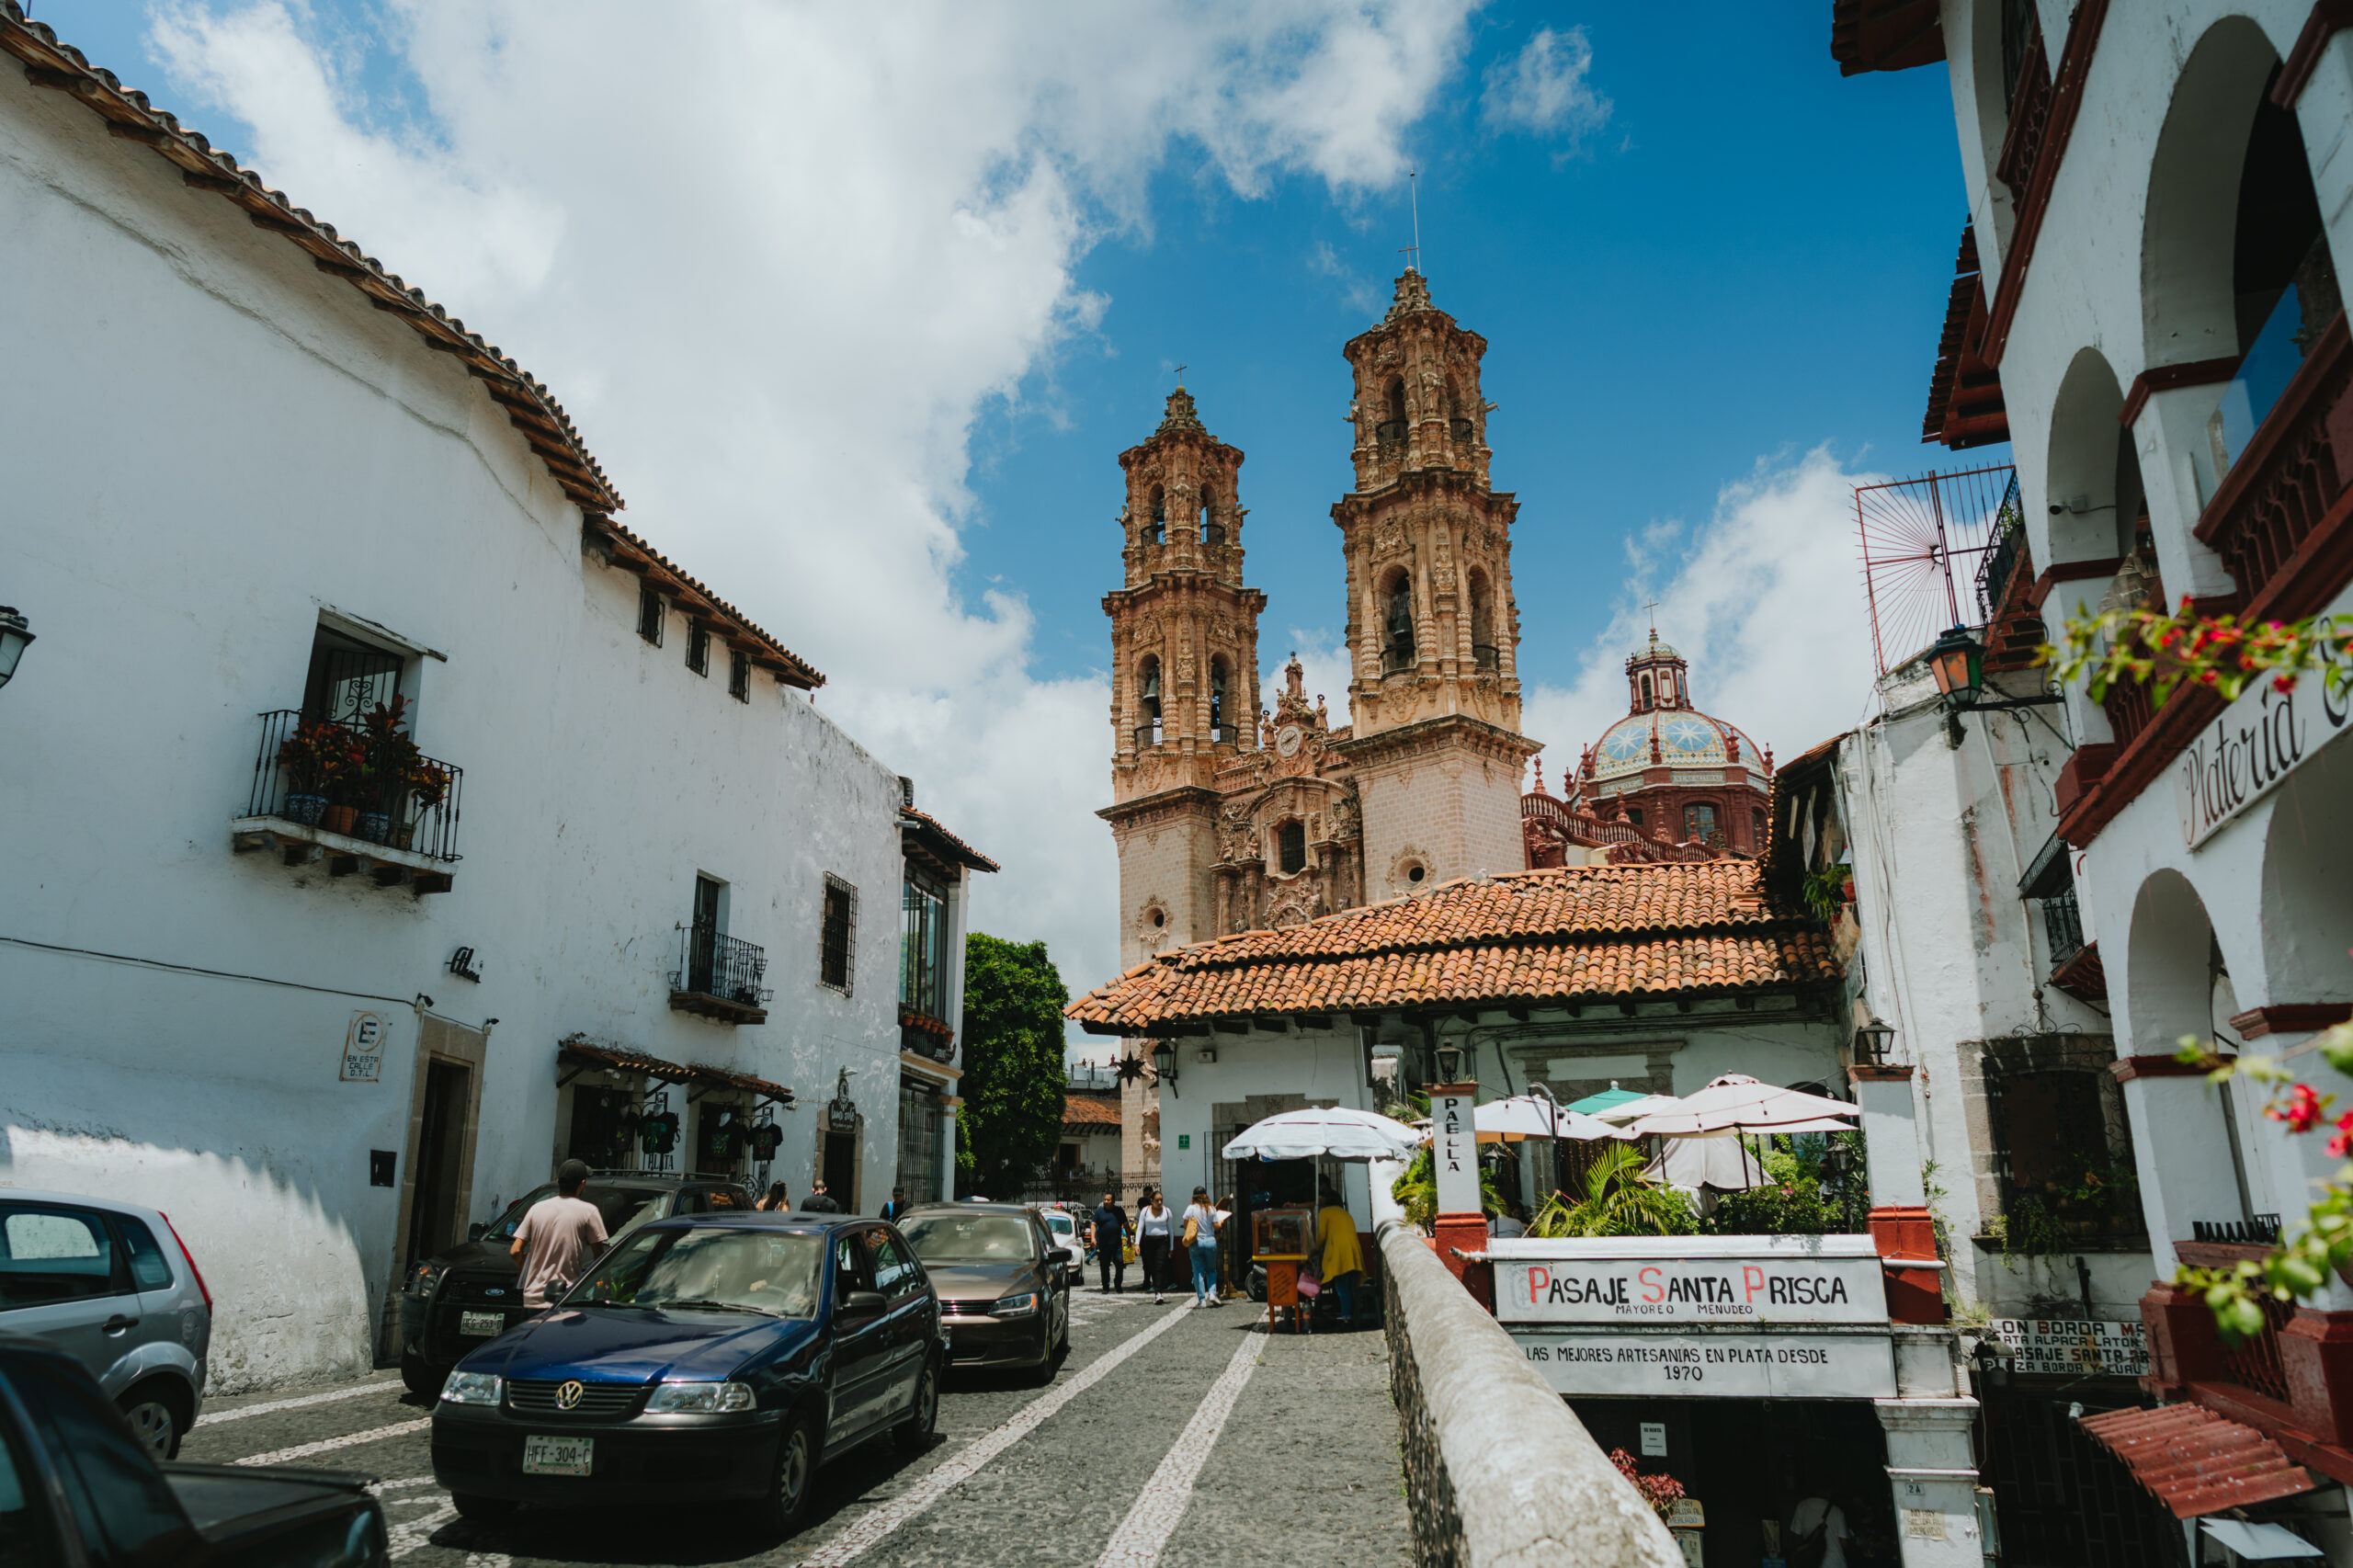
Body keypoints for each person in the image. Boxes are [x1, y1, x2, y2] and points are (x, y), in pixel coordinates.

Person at [510, 1159, 608, 1308]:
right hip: (565, 1298)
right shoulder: (588, 1211)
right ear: (582, 1184)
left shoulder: (537, 1209)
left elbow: (515, 1251)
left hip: (533, 1298)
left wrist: (529, 1270)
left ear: (557, 1182)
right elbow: (600, 1258)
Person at [1312, 1184, 1365, 1328]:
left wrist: (1314, 1249)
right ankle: (1353, 1316)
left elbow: (1321, 1235)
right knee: (1350, 1287)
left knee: (1342, 1289)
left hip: (1339, 1254)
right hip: (1353, 1252)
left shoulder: (1325, 1213)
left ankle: (1346, 1318)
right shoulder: (1345, 1213)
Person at [1182, 1186, 1222, 1307]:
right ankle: (1212, 1293)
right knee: (1211, 1269)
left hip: (1196, 1242)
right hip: (1210, 1241)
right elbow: (1217, 1227)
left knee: (1198, 1271)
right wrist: (1221, 1223)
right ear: (1205, 1195)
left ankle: (1202, 1300)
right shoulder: (1211, 1208)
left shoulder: (1191, 1208)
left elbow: (1185, 1225)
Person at [1789, 1491, 1848, 1568]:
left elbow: (1796, 1537)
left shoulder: (1802, 1506)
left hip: (1811, 1563)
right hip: (1835, 1563)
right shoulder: (1837, 1511)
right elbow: (1844, 1542)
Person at [1134, 1188, 1175, 1304]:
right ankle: (1157, 1291)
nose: (1160, 1203)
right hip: (1149, 1241)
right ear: (1152, 1201)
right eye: (1157, 1200)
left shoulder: (1167, 1211)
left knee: (1160, 1265)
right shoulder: (1145, 1211)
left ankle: (1159, 1292)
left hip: (1163, 1241)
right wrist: (1137, 1244)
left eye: (1161, 1200)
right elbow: (1140, 1228)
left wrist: (1171, 1247)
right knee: (1152, 1266)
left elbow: (1170, 1230)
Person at [1090, 1190, 1130, 1293]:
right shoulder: (1099, 1211)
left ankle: (1118, 1284)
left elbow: (1126, 1224)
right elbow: (1093, 1224)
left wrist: (1129, 1238)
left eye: (1108, 1200)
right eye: (1105, 1199)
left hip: (1117, 1244)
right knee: (1104, 1266)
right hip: (1103, 1244)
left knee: (1120, 1264)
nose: (1106, 1201)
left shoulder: (1119, 1211)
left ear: (1113, 1201)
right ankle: (1105, 1286)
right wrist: (1093, 1238)